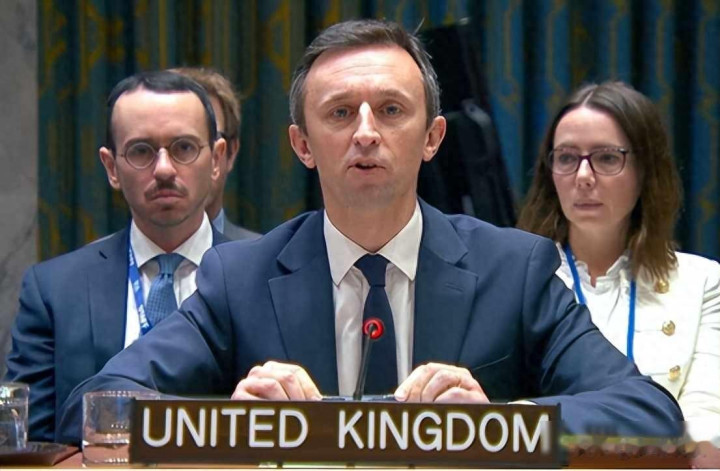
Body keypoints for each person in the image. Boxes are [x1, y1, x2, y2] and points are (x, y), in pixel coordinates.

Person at [57, 20, 682, 445]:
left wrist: (496, 424)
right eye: (338, 113)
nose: (364, 133)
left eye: (390, 110)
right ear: (302, 145)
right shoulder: (239, 277)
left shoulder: (513, 269)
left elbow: (649, 411)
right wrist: (232, 425)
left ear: (432, 137)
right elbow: (96, 404)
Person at [4, 71, 230, 442]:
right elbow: (29, 442)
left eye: (184, 148)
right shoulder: (54, 290)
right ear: (111, 167)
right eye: (141, 151)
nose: (164, 169)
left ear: (217, 159)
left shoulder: (262, 279)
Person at [517, 81, 720, 445]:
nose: (583, 177)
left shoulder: (703, 282)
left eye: (607, 158)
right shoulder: (516, 278)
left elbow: (707, 422)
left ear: (646, 171)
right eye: (566, 158)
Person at [173, 67, 260, 240]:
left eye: (186, 146)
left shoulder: (271, 255)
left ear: (230, 152)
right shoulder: (111, 256)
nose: (166, 167)